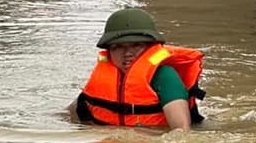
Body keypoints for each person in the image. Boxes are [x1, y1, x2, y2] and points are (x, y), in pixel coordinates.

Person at [72, 8, 205, 131]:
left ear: (150, 48)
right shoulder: (102, 77)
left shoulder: (165, 76)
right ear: (109, 51)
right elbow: (69, 115)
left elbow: (181, 131)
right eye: (118, 47)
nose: (127, 53)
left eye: (136, 45)